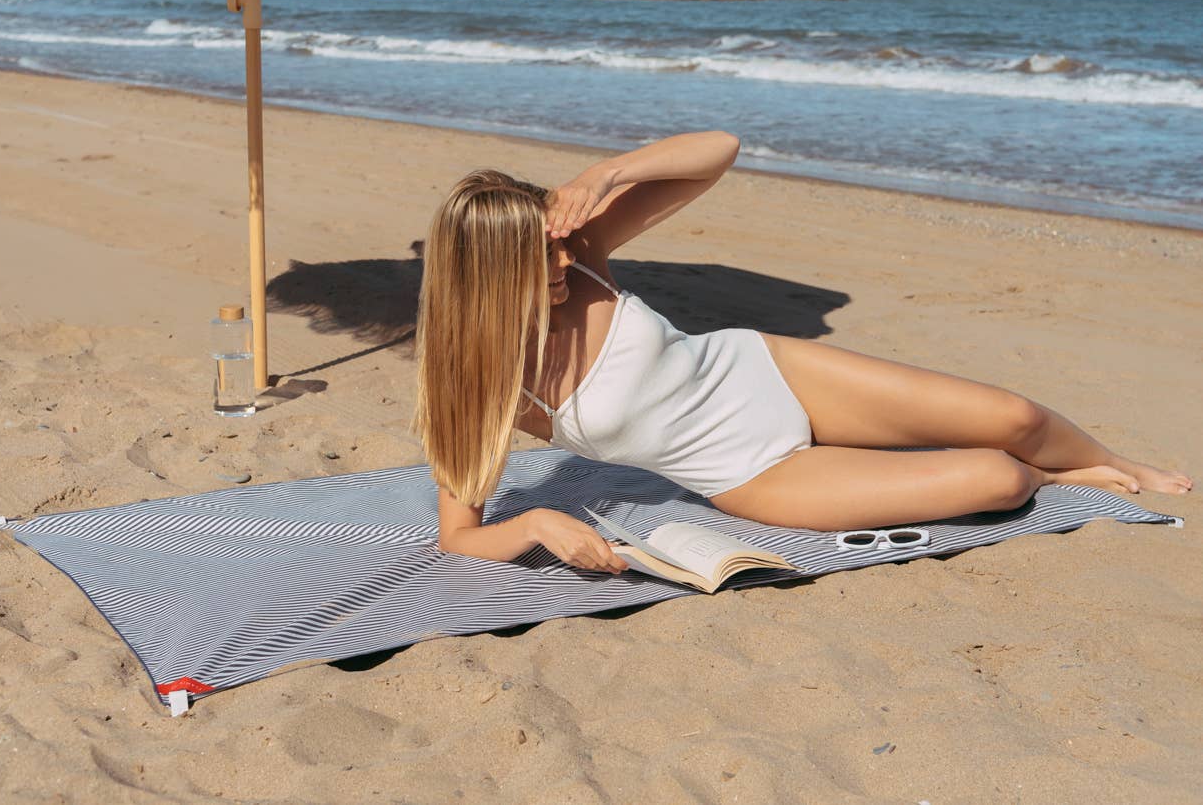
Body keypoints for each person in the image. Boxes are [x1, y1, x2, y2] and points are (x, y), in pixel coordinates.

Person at [410, 131, 1191, 574]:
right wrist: (538, 523)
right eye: (535, 259)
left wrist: (607, 171)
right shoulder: (482, 388)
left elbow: (719, 150)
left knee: (1014, 414)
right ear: (484, 279)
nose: (559, 263)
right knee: (1000, 477)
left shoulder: (580, 253)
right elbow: (460, 534)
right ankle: (1065, 476)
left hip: (770, 369)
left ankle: (1113, 456)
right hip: (756, 473)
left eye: (554, 244)